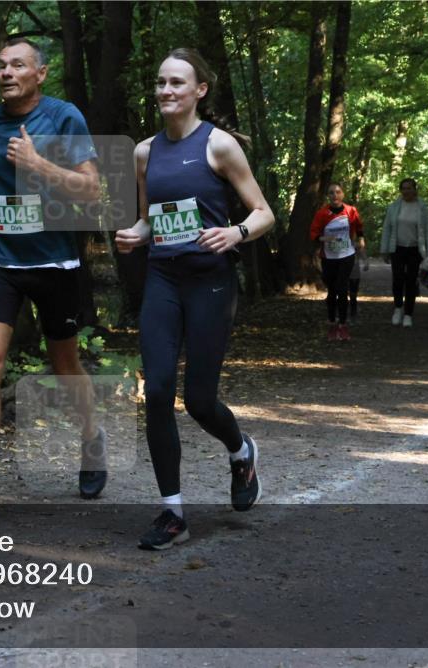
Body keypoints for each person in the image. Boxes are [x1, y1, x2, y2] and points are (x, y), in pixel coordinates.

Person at [115, 48, 274, 550]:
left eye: (177, 83)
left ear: (199, 91)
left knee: (201, 401)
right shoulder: (144, 152)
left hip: (210, 282)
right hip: (163, 279)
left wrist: (235, 233)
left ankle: (241, 449)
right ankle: (173, 512)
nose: (165, 91)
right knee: (158, 392)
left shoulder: (220, 146)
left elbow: (264, 213)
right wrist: (136, 233)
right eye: (160, 82)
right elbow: (150, 217)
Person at [0, 38, 108, 520]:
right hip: (2, 260)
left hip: (55, 263)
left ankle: (91, 439)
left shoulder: (64, 117)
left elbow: (94, 187)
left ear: (41, 73)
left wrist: (39, 164)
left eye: (18, 65)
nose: (7, 73)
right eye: (1, 66)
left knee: (64, 365)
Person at [379, 178, 428, 328]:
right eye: (403, 188)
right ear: (400, 190)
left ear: (415, 189)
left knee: (411, 281)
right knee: (397, 279)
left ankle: (408, 314)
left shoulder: (422, 207)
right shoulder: (394, 207)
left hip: (415, 249)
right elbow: (387, 229)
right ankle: (398, 308)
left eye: (409, 188)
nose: (406, 191)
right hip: (397, 248)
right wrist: (384, 250)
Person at [310, 183, 362, 340]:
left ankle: (343, 325)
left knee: (342, 288)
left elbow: (359, 227)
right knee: (332, 291)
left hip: (347, 255)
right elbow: (313, 233)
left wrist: (361, 240)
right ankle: (332, 324)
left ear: (343, 194)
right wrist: (323, 238)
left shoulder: (350, 211)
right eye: (331, 193)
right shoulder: (322, 214)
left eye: (338, 192)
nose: (335, 195)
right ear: (328, 196)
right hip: (329, 257)